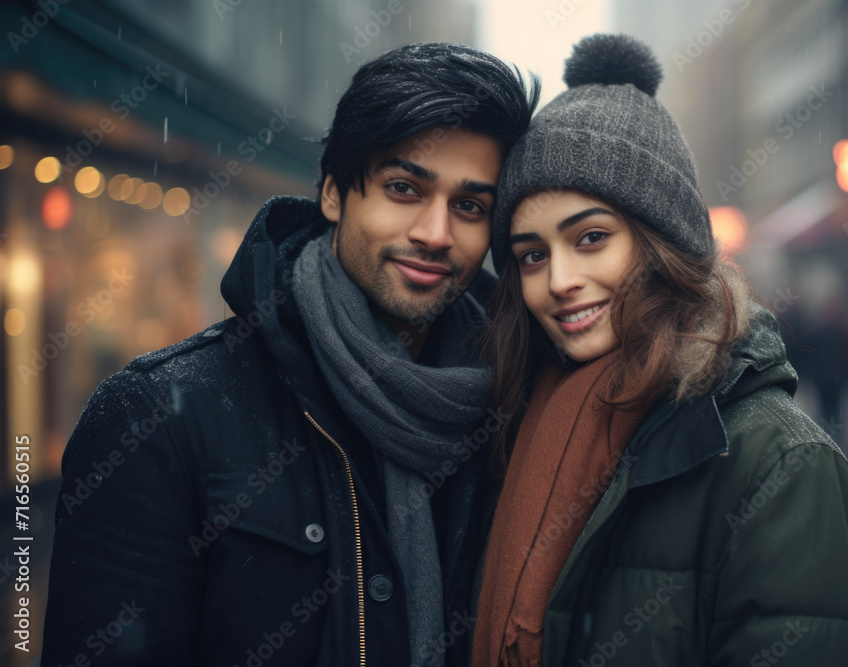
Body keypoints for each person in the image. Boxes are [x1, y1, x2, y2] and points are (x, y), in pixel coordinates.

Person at [42, 43, 538, 666]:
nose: (435, 234)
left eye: (469, 206)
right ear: (334, 194)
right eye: (404, 188)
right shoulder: (157, 417)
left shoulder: (514, 406)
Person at [473, 34, 848, 666]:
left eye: (592, 237)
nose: (558, 280)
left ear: (663, 244)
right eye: (532, 254)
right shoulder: (509, 424)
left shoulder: (781, 466)